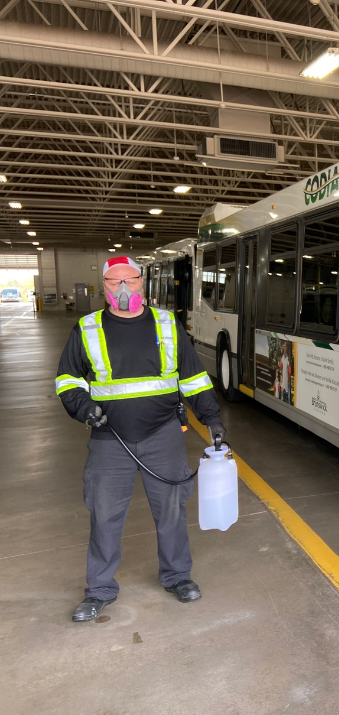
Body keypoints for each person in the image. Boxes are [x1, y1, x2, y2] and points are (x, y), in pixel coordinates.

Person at [55, 256, 226, 623]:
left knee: (171, 512)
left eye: (130, 281)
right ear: (103, 287)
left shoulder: (166, 324)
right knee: (104, 516)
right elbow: (67, 380)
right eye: (114, 283)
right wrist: (83, 407)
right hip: (108, 438)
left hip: (162, 434)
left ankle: (177, 576)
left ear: (142, 283)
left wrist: (211, 419)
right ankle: (99, 590)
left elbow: (192, 377)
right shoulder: (86, 328)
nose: (122, 290)